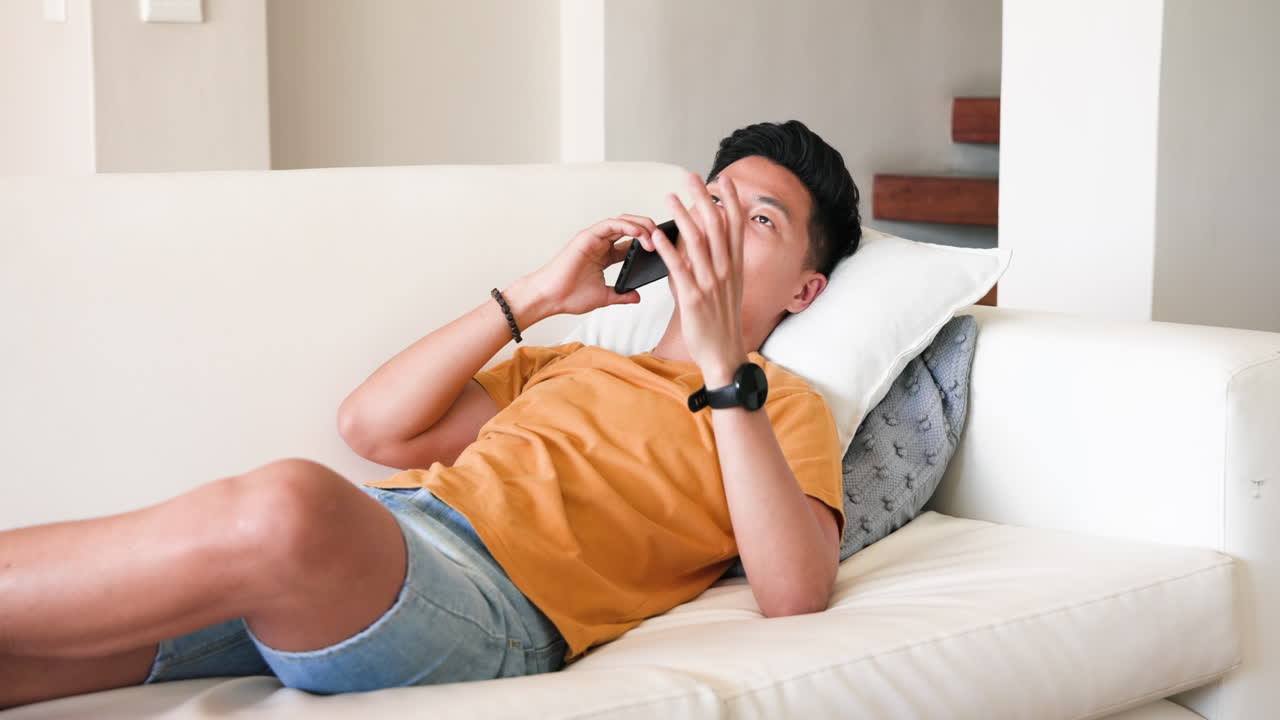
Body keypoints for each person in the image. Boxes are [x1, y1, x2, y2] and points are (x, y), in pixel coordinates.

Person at [0, 119, 862, 709]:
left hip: (491, 604)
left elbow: (793, 591)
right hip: (392, 539)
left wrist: (721, 366)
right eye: (713, 200)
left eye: (757, 219)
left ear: (803, 288)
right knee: (34, 663)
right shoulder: (571, 360)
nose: (716, 226)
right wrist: (537, 296)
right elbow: (373, 427)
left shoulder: (777, 404)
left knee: (287, 505)